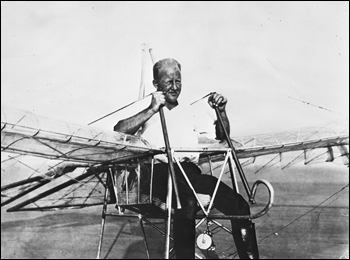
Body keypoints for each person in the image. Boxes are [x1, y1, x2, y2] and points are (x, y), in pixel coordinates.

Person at [114, 58, 259, 259]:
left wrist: (222, 111)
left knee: (239, 205)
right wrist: (151, 109)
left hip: (189, 173)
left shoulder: (190, 110)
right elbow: (118, 131)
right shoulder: (148, 107)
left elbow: (222, 136)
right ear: (156, 84)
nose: (175, 87)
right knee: (188, 203)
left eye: (178, 81)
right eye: (168, 82)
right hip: (158, 175)